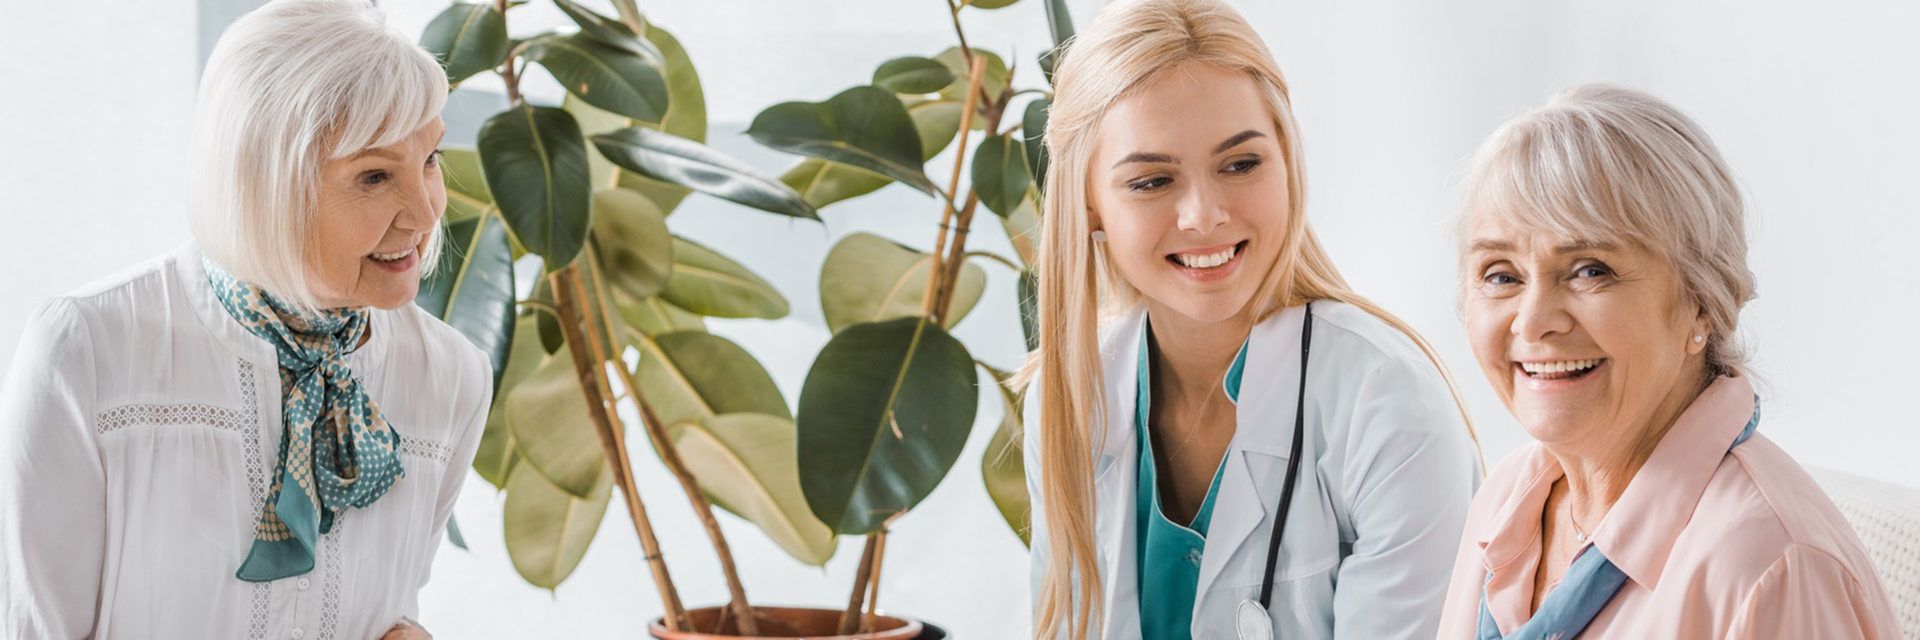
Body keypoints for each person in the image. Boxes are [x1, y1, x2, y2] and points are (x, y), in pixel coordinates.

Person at [0, 1, 490, 638]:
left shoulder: (451, 376)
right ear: (263, 186)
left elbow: (391, 617)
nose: (426, 216)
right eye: (373, 176)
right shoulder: (88, 351)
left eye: (430, 160)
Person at [1021, 1, 1482, 638]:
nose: (1204, 216)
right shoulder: (1069, 399)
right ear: (1089, 204)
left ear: (1288, 162)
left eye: (1240, 164)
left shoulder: (1389, 404)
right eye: (1152, 180)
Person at [1436, 84, 1900, 638]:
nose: (1534, 321)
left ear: (1701, 303)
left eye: (1590, 269)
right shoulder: (1506, 499)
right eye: (1501, 275)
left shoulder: (1771, 568)